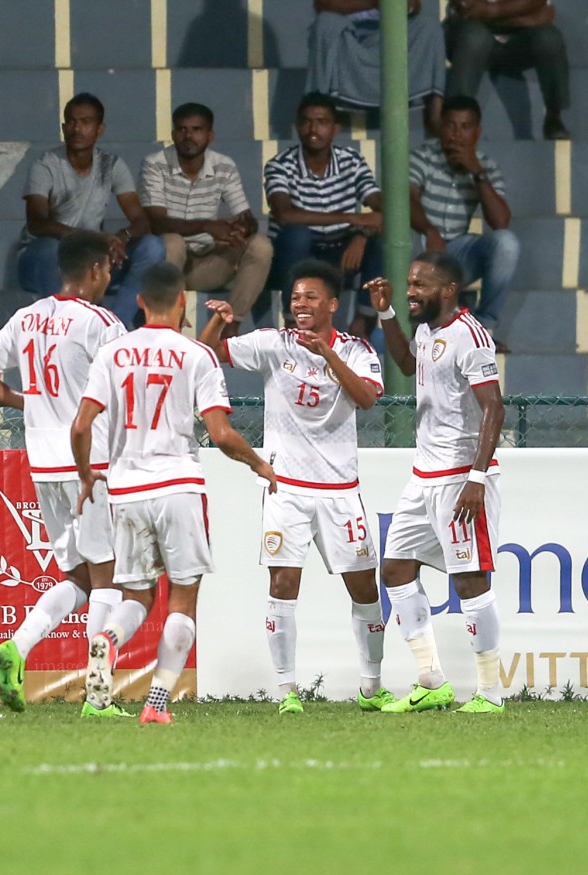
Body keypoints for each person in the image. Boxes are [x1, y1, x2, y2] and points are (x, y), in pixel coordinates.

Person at [71, 263, 277, 724]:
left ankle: (109, 640)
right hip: (178, 486)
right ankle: (157, 704)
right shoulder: (196, 356)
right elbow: (221, 435)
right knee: (182, 600)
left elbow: (82, 424)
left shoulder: (111, 353)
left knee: (136, 599)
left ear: (140, 302)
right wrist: (259, 464)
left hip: (126, 489)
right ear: (182, 302)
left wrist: (88, 475)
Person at [199, 260, 389, 713]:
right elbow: (205, 356)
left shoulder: (358, 350)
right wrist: (217, 323)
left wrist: (328, 355)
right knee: (283, 583)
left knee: (364, 589)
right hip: (287, 486)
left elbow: (365, 398)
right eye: (295, 298)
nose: (299, 305)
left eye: (310, 297)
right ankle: (287, 692)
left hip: (341, 490)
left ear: (332, 304)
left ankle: (371, 686)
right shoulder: (272, 344)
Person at [0, 231, 130, 718]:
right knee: (107, 578)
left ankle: (18, 645)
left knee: (76, 576)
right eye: (109, 270)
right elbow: (123, 392)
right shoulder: (102, 323)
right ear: (97, 269)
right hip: (89, 466)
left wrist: (24, 401)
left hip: (42, 462)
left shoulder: (26, 317)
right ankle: (97, 695)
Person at [364, 253, 506, 714]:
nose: (411, 292)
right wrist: (385, 313)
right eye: (409, 283)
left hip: (460, 477)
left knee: (469, 581)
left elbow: (494, 408)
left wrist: (476, 477)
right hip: (422, 474)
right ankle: (431, 680)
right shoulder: (427, 331)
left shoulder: (471, 336)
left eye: (419, 285)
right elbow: (407, 363)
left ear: (447, 290)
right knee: (396, 569)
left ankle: (490, 693)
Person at [17, 93, 167, 328]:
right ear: (64, 128)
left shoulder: (111, 165)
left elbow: (141, 222)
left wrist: (121, 237)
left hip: (90, 258)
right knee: (50, 248)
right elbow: (38, 223)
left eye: (86, 122)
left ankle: (114, 328)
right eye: (72, 122)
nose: (78, 129)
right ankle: (65, 328)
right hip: (45, 260)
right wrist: (95, 239)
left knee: (152, 247)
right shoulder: (45, 164)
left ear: (100, 129)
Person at [141, 102, 273, 338]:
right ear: (173, 134)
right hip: (168, 265)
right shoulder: (155, 164)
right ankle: (168, 323)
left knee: (260, 246)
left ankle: (231, 325)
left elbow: (248, 217)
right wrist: (207, 226)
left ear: (209, 136)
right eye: (182, 130)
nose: (188, 136)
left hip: (207, 266)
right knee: (172, 242)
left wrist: (242, 228)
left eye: (196, 129)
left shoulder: (224, 165)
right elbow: (156, 222)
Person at [264, 92, 384, 338]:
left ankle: (365, 319)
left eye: (322, 122)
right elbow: (284, 215)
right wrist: (352, 218)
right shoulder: (280, 165)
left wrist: (361, 235)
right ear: (298, 127)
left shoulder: (351, 161)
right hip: (294, 256)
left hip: (340, 252)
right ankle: (293, 322)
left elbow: (382, 206)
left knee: (381, 241)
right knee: (296, 236)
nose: (313, 129)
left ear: (335, 128)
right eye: (307, 122)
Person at [409, 95, 517, 349]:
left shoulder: (486, 166)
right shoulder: (422, 157)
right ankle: (419, 319)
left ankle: (483, 327)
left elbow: (500, 222)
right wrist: (429, 229)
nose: (456, 134)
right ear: (440, 127)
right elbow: (407, 199)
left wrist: (477, 174)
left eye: (465, 127)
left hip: (456, 254)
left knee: (506, 243)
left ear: (477, 132)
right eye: (450, 125)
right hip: (420, 245)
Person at [307, 0, 445, 136]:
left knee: (429, 26)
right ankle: (322, 114)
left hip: (389, 32)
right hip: (348, 34)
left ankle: (434, 117)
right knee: (326, 23)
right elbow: (322, 4)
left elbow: (415, 5)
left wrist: (408, 5)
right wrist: (373, 3)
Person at [444, 0, 570, 140]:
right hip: (471, 33)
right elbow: (468, 8)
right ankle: (455, 119)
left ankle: (553, 117)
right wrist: (527, 19)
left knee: (549, 39)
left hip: (516, 40)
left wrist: (490, 12)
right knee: (475, 37)